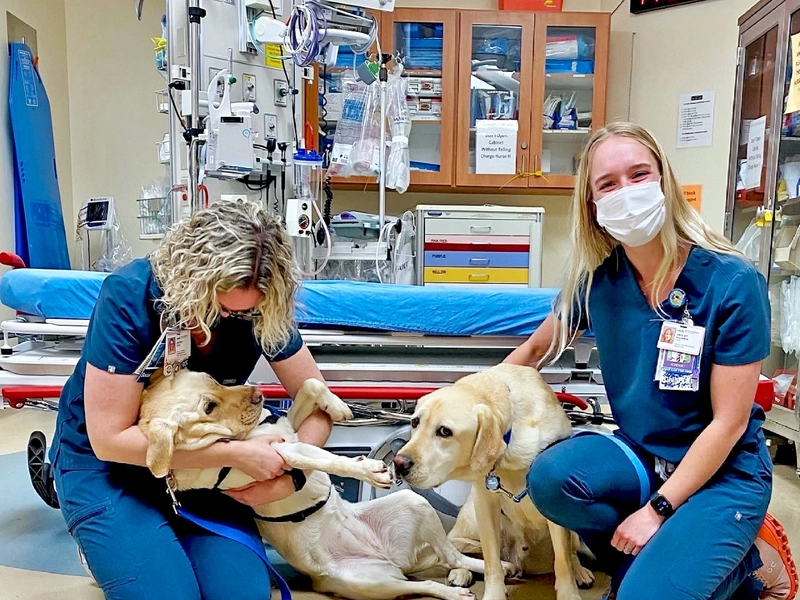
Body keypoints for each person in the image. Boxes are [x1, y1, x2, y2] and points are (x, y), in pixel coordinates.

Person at [506, 122, 796, 600]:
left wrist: (657, 510)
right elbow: (534, 351)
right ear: (594, 208)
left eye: (640, 174)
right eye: (608, 184)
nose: (627, 192)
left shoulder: (730, 282)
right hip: (643, 455)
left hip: (724, 471)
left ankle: (741, 554)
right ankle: (668, 568)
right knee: (552, 479)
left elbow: (728, 423)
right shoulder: (598, 281)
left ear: (665, 182)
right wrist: (470, 404)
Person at [49, 200, 333, 600]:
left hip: (201, 470)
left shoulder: (260, 305)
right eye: (219, 305)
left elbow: (318, 403)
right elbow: (109, 439)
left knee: (242, 594)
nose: (232, 318)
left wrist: (292, 477)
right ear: (192, 277)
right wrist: (236, 455)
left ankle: (143, 545)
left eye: (245, 313)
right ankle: (105, 543)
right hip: (111, 467)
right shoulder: (130, 298)